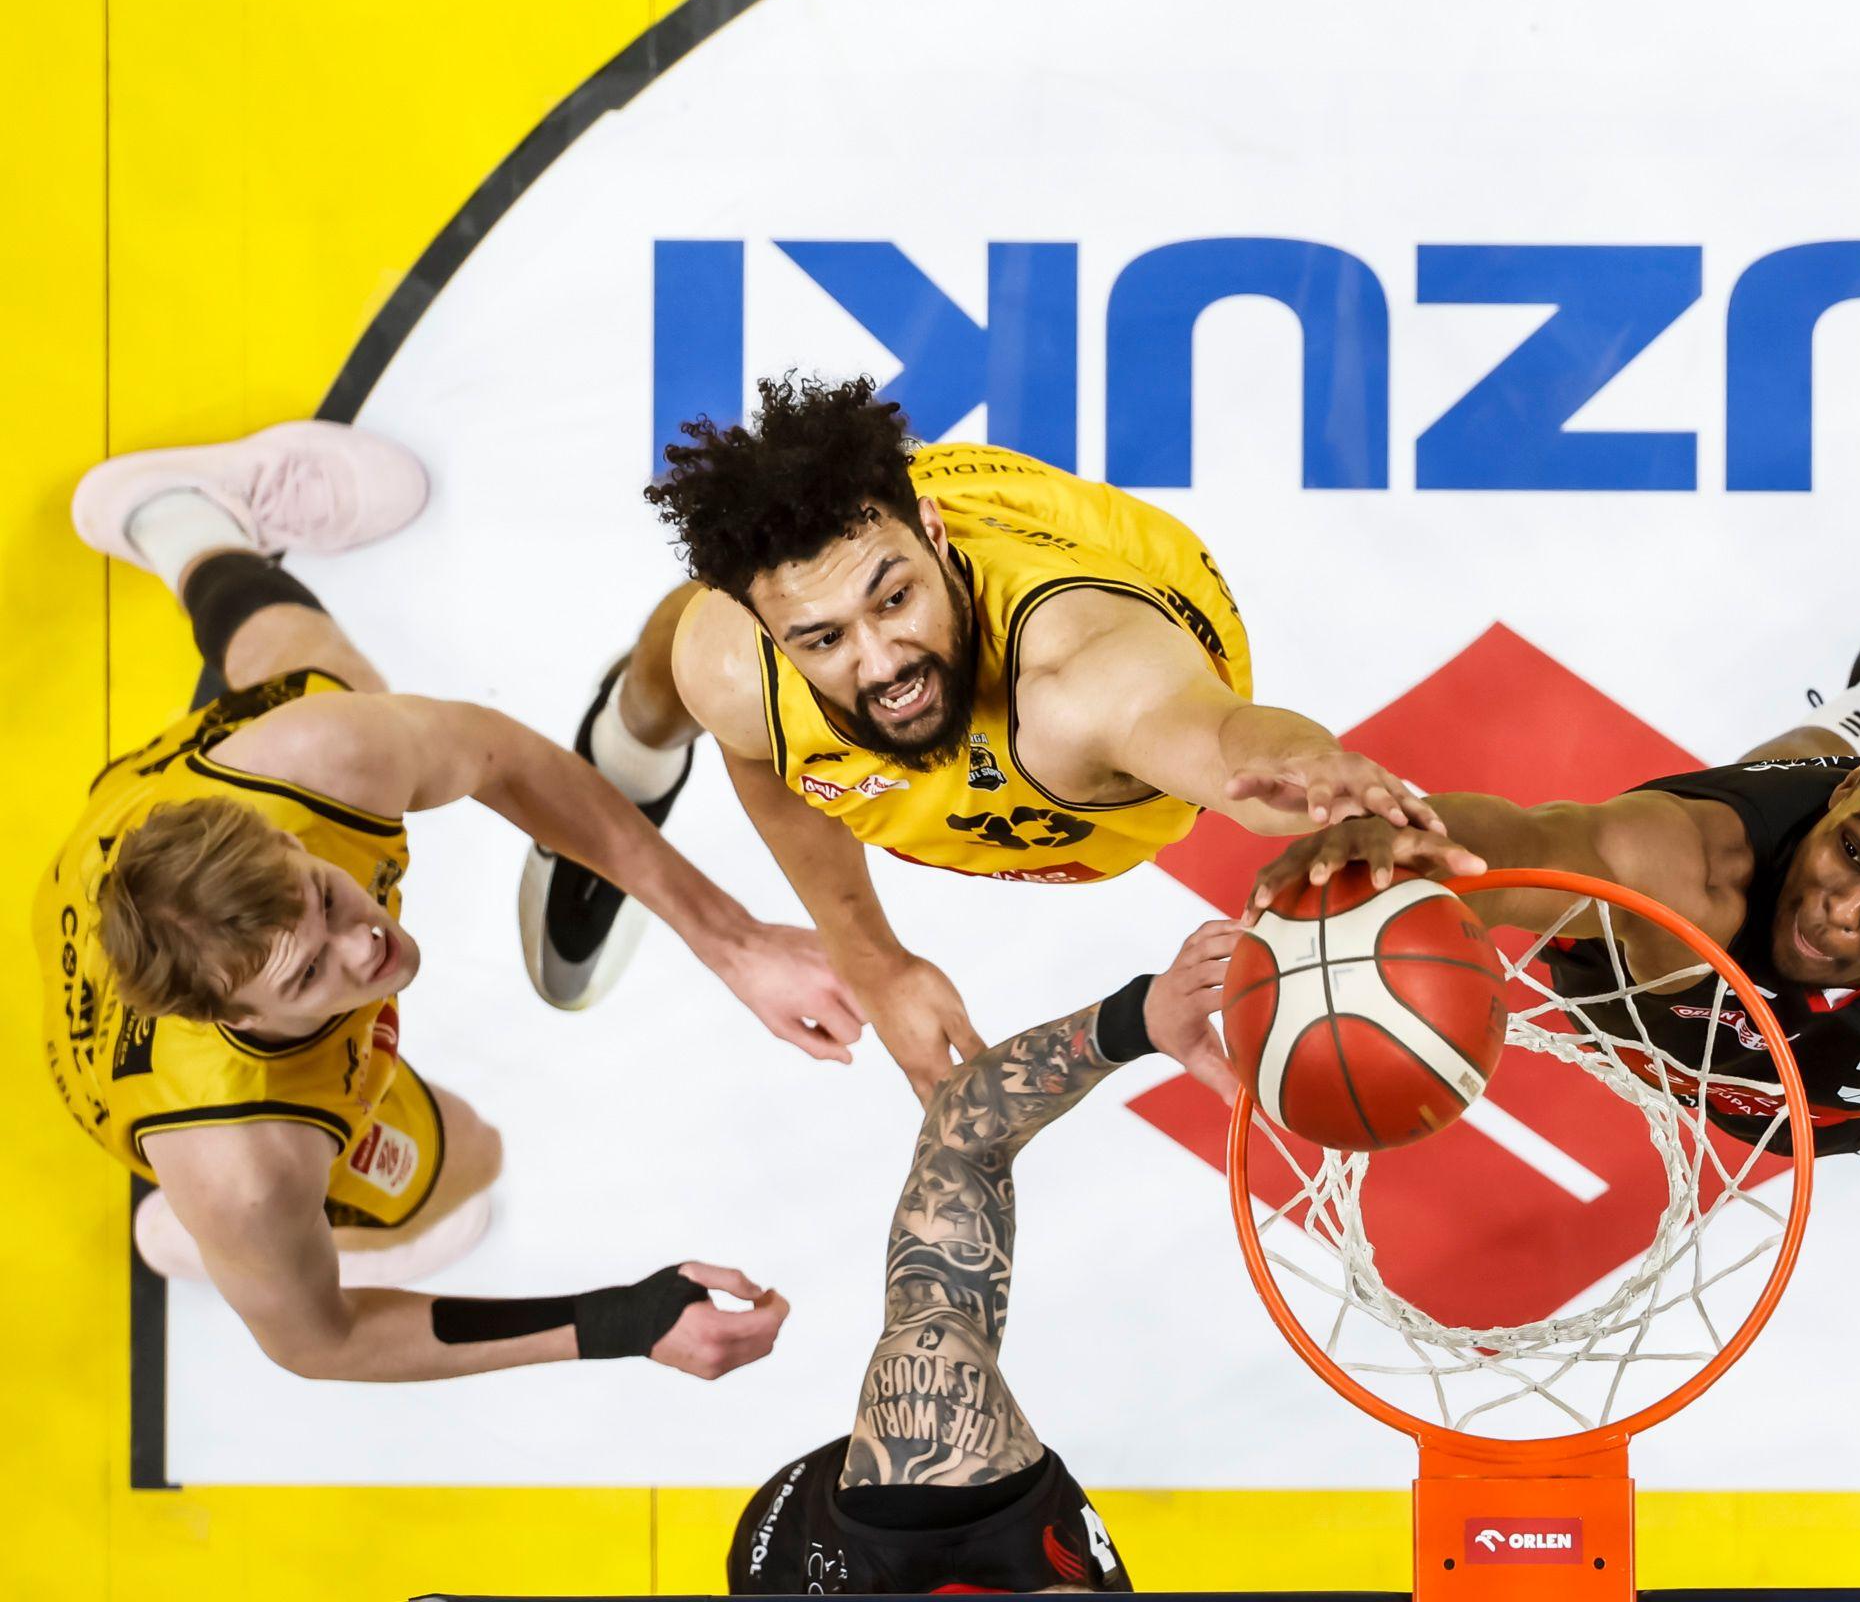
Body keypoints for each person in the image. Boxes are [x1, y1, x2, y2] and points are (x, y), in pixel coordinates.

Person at [1248, 581, 1860, 1587]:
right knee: (1787, 768)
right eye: (1849, 847)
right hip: (1663, 1010)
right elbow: (1519, 841)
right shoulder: (1688, 871)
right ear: (1848, 793)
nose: (1841, 908)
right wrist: (1410, 848)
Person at [43, 419, 847, 1383]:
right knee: (463, 1163)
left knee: (343, 693)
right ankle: (242, 1245)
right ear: (238, 1016)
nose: (367, 946)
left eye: (326, 897)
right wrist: (620, 1323)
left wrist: (732, 939)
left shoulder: (308, 765)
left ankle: (176, 516)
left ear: (280, 840)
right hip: (200, 1135)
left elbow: (499, 758)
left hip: (121, 834)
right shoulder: (250, 1162)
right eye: (309, 971)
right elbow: (321, 1343)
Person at [523, 373, 1432, 1097]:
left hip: (1084, 576)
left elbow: (1228, 742)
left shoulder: (1082, 689)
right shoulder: (737, 662)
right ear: (774, 635)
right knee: (681, 657)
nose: (883, 663)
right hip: (785, 629)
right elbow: (768, 755)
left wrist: (1308, 764)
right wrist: (871, 960)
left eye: (895, 599)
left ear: (932, 535)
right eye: (824, 639)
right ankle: (629, 749)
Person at [730, 920, 1241, 1593]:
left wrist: (1136, 1020)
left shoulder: (936, 1439)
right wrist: (1136, 1020)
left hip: (848, 1531)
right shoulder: (943, 1445)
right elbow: (966, 1141)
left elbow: (966, 1142)